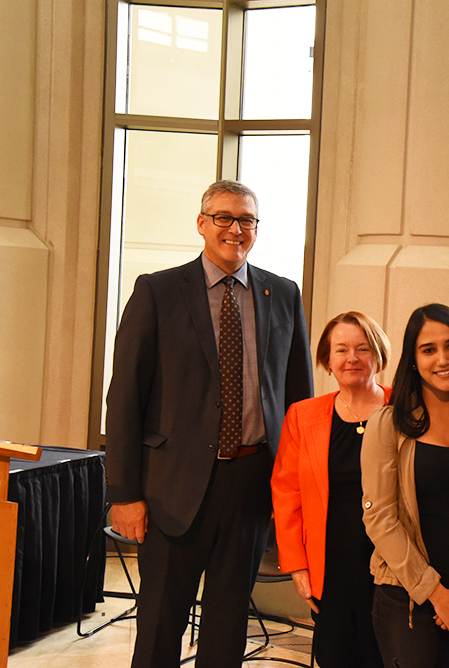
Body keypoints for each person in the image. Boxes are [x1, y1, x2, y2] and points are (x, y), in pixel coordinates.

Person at [104, 180, 313, 668]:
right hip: (169, 490)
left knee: (227, 629)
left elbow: (298, 399)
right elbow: (125, 398)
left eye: (246, 220)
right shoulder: (156, 291)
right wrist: (123, 493)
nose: (234, 229)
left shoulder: (282, 294)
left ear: (256, 230)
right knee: (159, 625)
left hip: (249, 487)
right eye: (223, 217)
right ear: (202, 224)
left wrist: (295, 494)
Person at [361, 304, 449, 668]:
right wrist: (435, 593)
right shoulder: (388, 424)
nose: (442, 359)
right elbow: (380, 519)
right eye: (428, 349)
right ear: (413, 360)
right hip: (407, 599)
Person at [272, 311, 392, 667]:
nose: (351, 358)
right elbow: (286, 494)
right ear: (327, 360)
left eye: (362, 348)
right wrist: (297, 566)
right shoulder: (302, 416)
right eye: (341, 350)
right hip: (330, 567)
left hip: (391, 566)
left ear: (378, 355)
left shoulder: (404, 408)